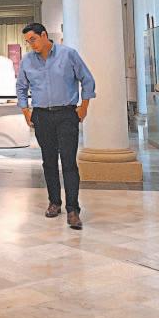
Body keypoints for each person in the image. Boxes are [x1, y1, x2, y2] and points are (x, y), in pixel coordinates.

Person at [15, 23, 95, 230]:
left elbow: (87, 80)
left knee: (69, 162)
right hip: (41, 116)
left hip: (67, 114)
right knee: (49, 162)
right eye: (28, 42)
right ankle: (54, 202)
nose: (31, 44)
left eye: (33, 39)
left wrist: (84, 107)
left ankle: (73, 210)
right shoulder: (27, 61)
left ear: (44, 35)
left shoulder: (68, 55)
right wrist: (25, 111)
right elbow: (21, 87)